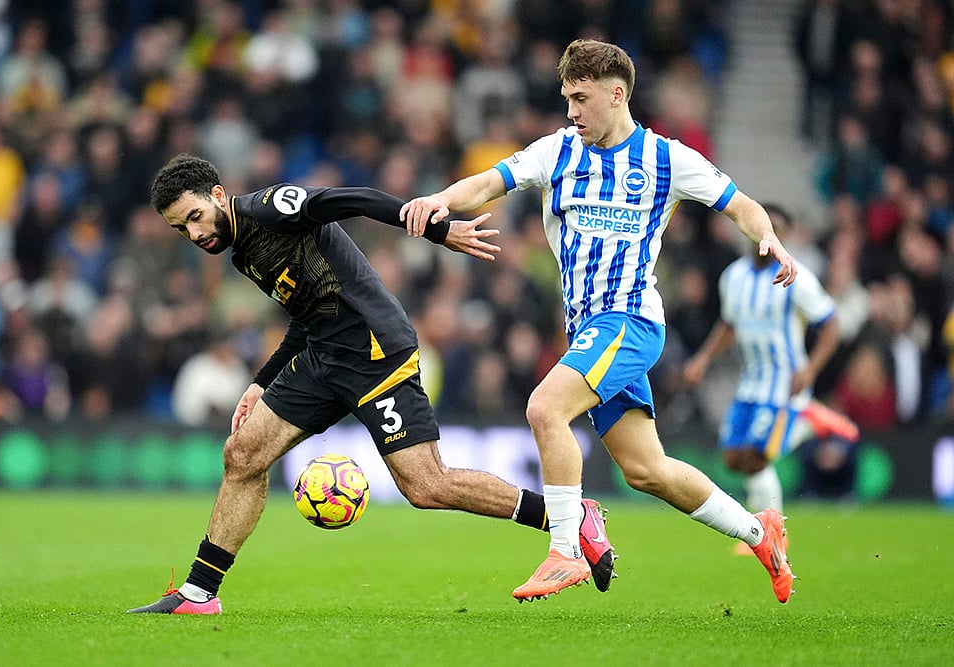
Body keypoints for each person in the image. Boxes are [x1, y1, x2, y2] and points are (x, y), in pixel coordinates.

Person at [401, 38, 798, 604]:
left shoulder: (666, 159)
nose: (571, 111)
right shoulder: (556, 151)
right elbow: (489, 182)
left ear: (617, 94)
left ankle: (565, 551)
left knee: (544, 408)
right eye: (566, 98)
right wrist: (440, 198)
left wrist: (771, 240)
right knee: (648, 471)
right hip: (589, 328)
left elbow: (741, 205)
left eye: (580, 98)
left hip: (630, 320)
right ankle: (762, 533)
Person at [128, 155, 616, 615]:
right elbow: (304, 316)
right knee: (242, 454)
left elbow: (354, 198)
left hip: (374, 353)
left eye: (195, 216)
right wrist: (260, 383)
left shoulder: (268, 208)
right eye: (180, 228)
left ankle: (570, 517)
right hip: (324, 356)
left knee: (426, 486)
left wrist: (438, 230)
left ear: (216, 194)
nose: (193, 233)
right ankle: (200, 591)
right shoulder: (241, 254)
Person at [683, 203, 860, 530]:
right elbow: (729, 324)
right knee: (734, 459)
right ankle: (807, 420)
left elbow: (831, 323)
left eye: (776, 230)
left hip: (785, 381)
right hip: (751, 379)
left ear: (786, 237)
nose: (766, 236)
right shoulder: (733, 277)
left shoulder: (797, 276)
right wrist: (703, 359)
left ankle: (769, 532)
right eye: (763, 228)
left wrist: (811, 370)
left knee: (755, 458)